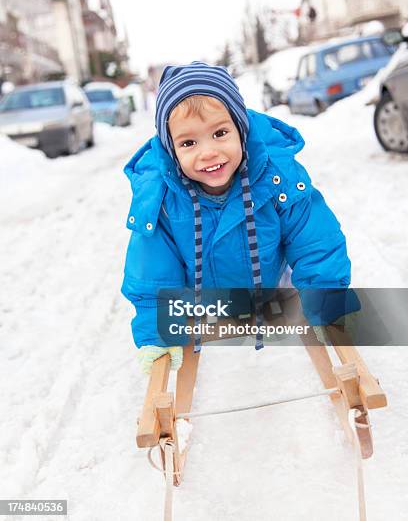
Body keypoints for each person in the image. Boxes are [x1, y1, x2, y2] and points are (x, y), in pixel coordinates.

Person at [121, 61, 357, 375]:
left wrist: (325, 294)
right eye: (189, 143)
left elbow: (314, 238)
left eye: (220, 133)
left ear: (240, 129)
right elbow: (152, 273)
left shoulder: (277, 178)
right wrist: (158, 334)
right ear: (171, 148)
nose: (208, 152)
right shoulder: (162, 199)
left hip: (271, 285)